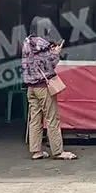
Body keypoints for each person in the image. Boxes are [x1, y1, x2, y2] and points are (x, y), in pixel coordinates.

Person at [21, 19, 77, 161]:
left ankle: (36, 151)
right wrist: (56, 52)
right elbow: (50, 64)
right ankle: (58, 151)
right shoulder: (44, 46)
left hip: (31, 88)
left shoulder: (26, 44)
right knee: (52, 118)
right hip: (43, 87)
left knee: (35, 118)